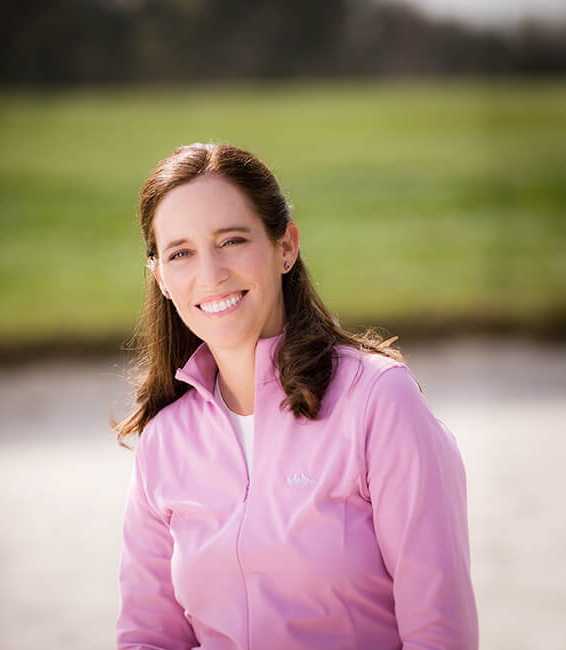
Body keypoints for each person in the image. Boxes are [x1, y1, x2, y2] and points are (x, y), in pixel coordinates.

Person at [113, 142, 479, 649]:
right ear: (161, 278)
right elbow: (147, 638)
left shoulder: (377, 401)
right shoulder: (164, 442)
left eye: (232, 240)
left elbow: (439, 633)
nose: (211, 273)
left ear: (285, 248)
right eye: (180, 253)